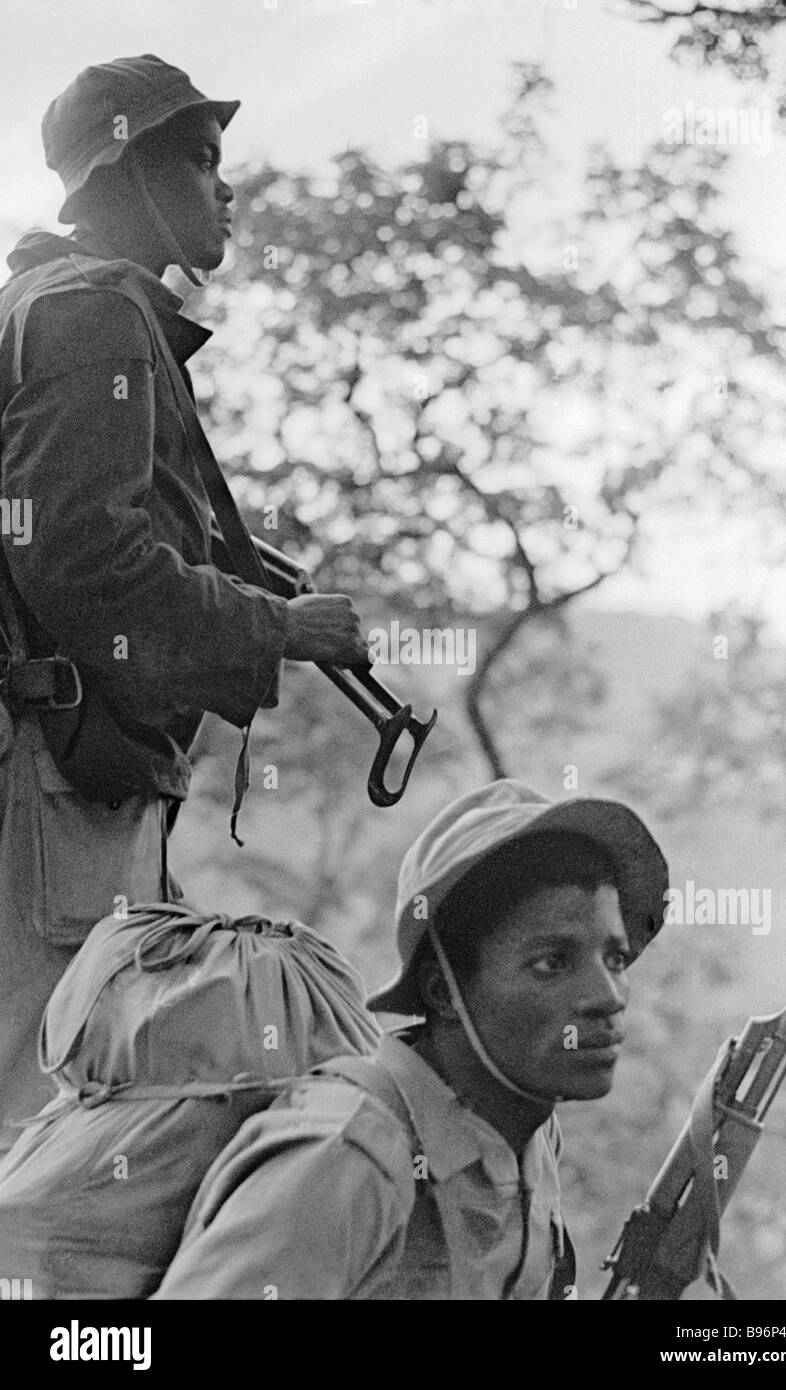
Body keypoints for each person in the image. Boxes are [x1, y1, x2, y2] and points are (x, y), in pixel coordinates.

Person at [0, 55, 370, 1153]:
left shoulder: (45, 304)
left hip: (58, 778)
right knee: (45, 1117)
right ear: (127, 174)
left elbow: (60, 521)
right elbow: (78, 553)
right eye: (201, 162)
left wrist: (230, 560)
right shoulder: (95, 316)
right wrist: (277, 629)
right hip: (55, 788)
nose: (225, 191)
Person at [154, 778, 668, 1300]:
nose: (608, 996)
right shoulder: (349, 1158)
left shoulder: (526, 1134)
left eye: (616, 959)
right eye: (551, 963)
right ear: (444, 992)